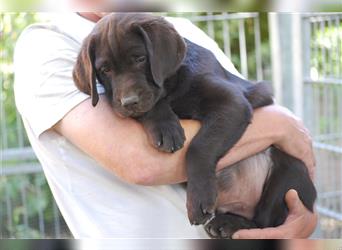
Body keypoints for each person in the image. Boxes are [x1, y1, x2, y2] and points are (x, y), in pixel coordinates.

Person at [14, 12, 317, 238]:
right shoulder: (49, 42)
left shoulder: (176, 32)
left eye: (138, 60)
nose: (127, 94)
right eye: (107, 71)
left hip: (268, 188)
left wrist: (301, 220)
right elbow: (141, 162)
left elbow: (239, 109)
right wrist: (280, 124)